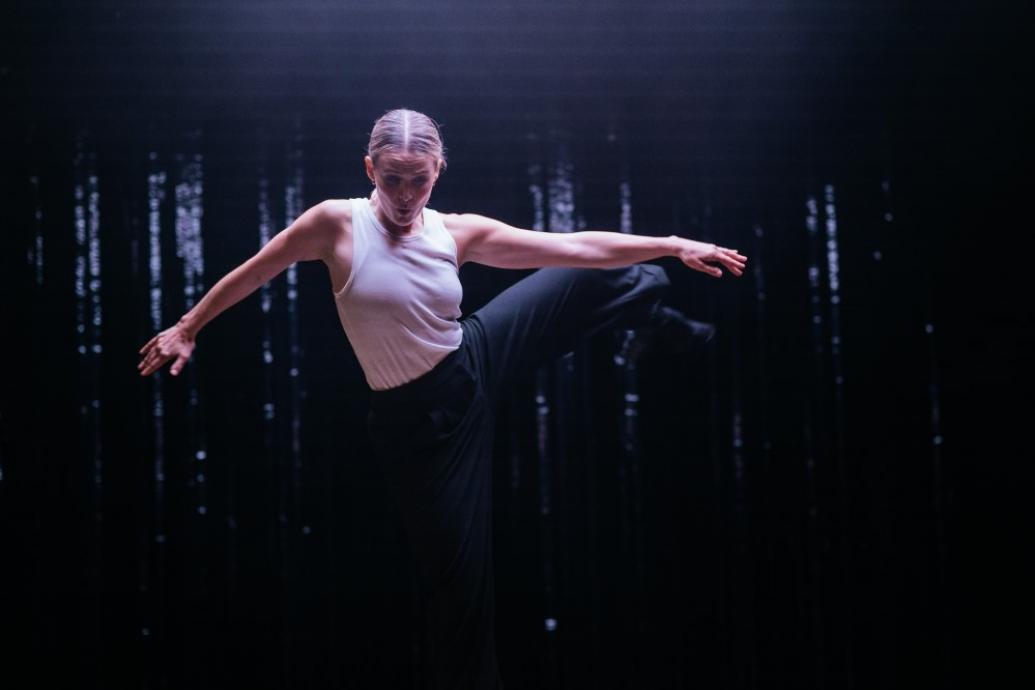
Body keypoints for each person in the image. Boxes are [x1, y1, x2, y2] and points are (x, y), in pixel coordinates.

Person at [138, 108, 747, 689]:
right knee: (460, 594)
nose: (406, 196)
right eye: (394, 179)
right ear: (371, 170)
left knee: (592, 271)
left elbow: (575, 245)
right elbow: (253, 272)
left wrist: (671, 242)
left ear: (439, 173)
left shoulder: (456, 232)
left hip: (472, 358)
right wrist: (188, 326)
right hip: (419, 430)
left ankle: (656, 322)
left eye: (419, 182)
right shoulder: (333, 224)